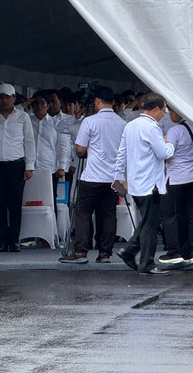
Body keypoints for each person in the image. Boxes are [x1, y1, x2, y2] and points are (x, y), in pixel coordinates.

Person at [60, 85, 126, 264]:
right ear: (112, 102)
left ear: (97, 101)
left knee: (83, 213)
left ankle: (80, 251)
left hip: (92, 176)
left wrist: (88, 150)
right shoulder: (123, 124)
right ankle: (105, 252)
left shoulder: (89, 122)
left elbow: (80, 149)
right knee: (109, 214)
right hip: (114, 178)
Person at [114, 93, 175, 275]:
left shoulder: (130, 126)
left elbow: (121, 153)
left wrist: (118, 175)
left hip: (135, 182)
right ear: (156, 109)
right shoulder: (152, 128)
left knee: (147, 220)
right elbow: (163, 153)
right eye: (163, 110)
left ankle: (130, 250)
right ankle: (146, 262)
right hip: (151, 183)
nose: (164, 114)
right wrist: (169, 144)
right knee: (151, 224)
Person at [0, 83, 36, 253]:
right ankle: (1, 239)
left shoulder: (22, 117)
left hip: (16, 164)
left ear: (14, 98)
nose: (5, 100)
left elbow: (29, 141)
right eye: (1, 97)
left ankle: (14, 239)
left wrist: (29, 165)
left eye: (8, 97)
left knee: (14, 203)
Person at [157, 107, 193, 265]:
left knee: (170, 215)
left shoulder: (175, 131)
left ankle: (174, 250)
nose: (170, 114)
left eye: (172, 111)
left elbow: (167, 153)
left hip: (176, 178)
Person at [29, 91, 69, 212]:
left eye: (42, 103)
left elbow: (63, 147)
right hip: (29, 168)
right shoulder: (27, 121)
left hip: (49, 169)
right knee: (30, 200)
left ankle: (52, 230)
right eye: (36, 103)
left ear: (48, 105)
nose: (39, 106)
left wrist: (62, 167)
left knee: (49, 200)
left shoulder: (56, 123)